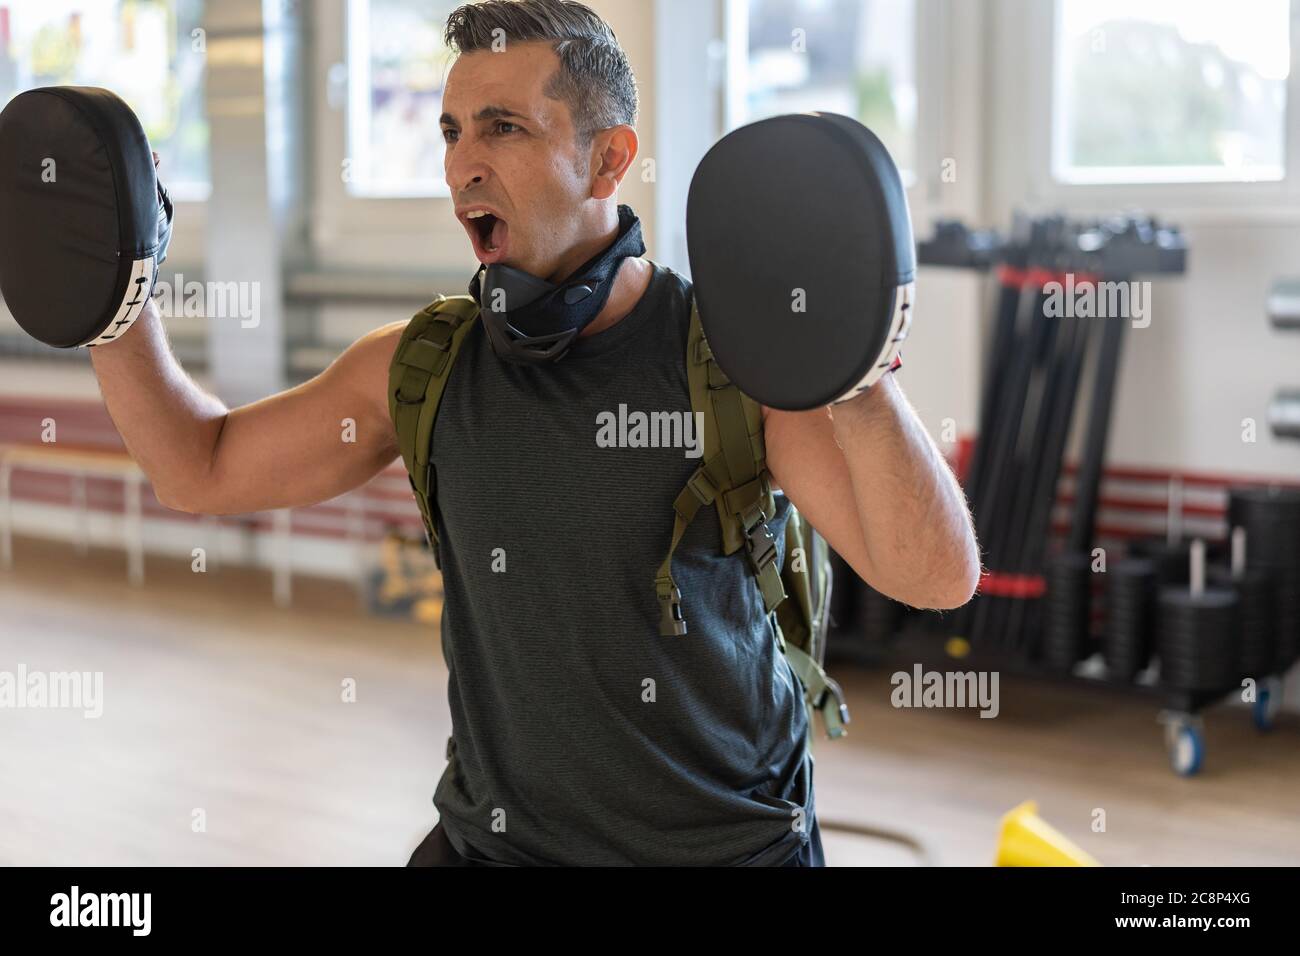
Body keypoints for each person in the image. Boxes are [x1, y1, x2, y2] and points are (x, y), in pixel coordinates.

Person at [87, 0, 979, 865]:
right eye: (450, 132)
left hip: (720, 850)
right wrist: (117, 300)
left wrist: (861, 379)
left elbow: (935, 577)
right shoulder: (421, 366)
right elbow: (197, 469)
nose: (461, 167)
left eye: (503, 127)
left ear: (608, 160)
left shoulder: (726, 363)